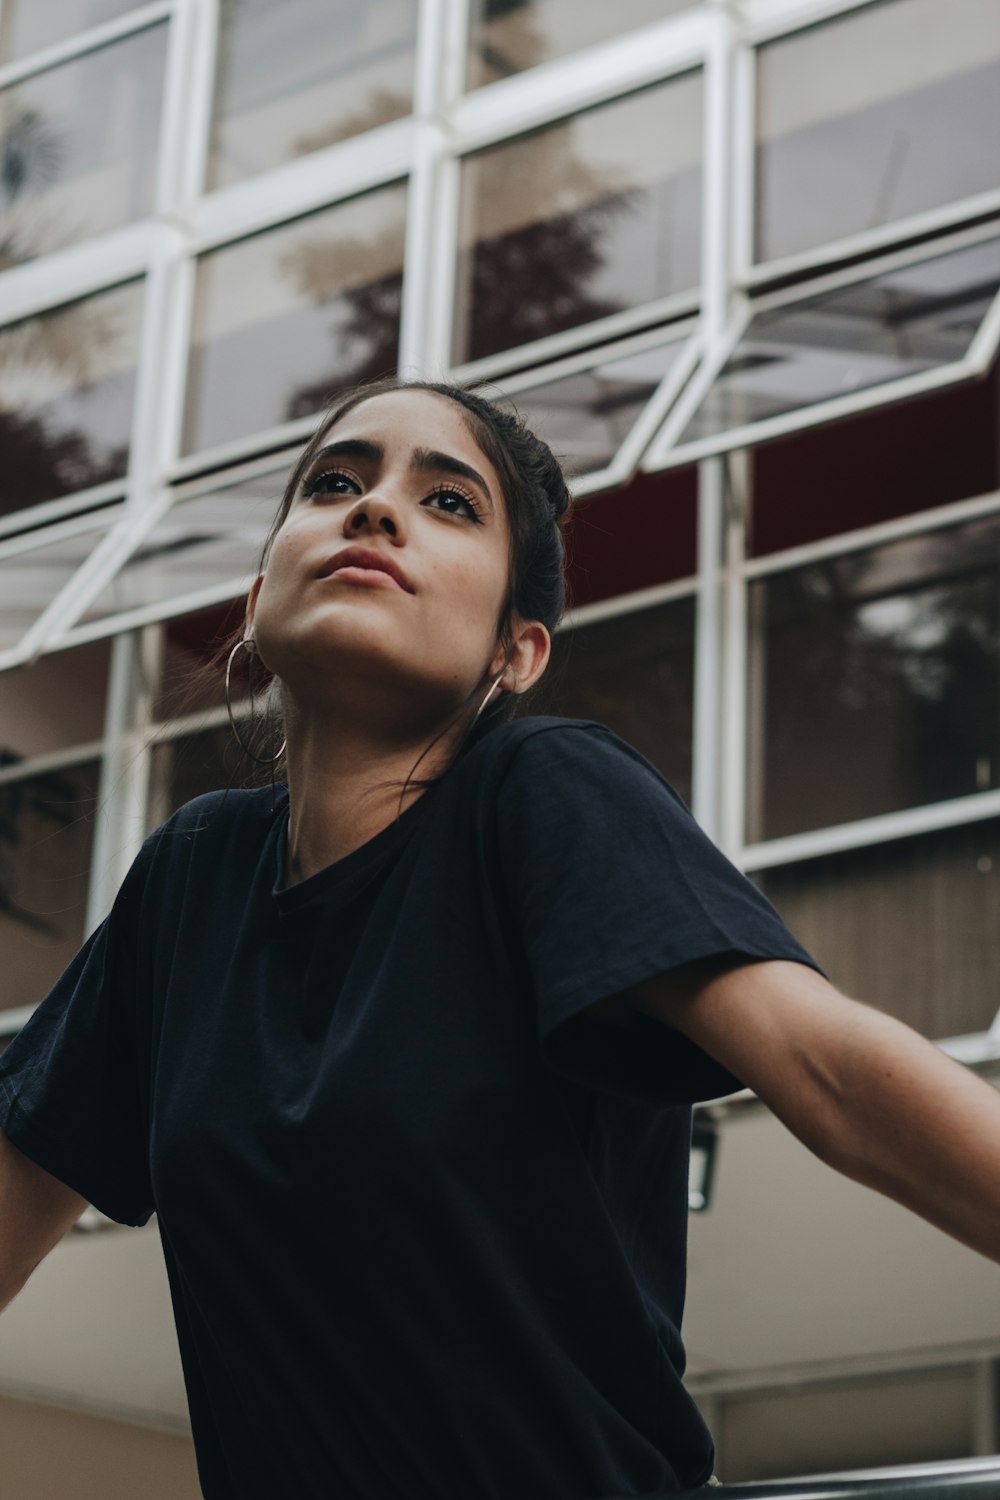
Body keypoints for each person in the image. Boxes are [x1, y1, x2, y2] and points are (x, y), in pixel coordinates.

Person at [0, 378, 998, 1500]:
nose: (374, 511)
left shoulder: (538, 792)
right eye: (336, 482)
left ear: (514, 655)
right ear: (257, 601)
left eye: (450, 503)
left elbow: (828, 1073)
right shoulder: (191, 879)